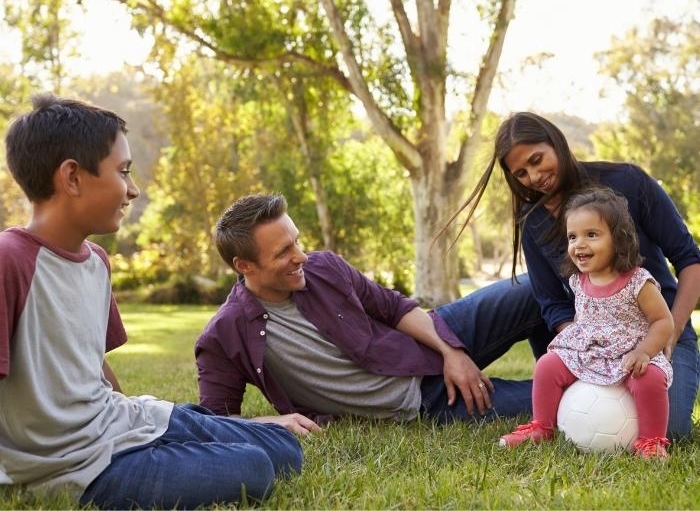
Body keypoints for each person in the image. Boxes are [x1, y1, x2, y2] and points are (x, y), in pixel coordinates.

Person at [0, 95, 302, 510]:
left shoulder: (96, 263)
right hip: (75, 465)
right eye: (123, 172)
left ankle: (207, 428)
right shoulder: (9, 260)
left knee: (287, 449)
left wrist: (144, 426)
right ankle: (202, 435)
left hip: (119, 422)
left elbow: (93, 366)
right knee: (256, 468)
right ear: (72, 177)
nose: (134, 189)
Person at [443, 112, 700, 440]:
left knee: (672, 430)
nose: (534, 177)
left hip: (658, 332)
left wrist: (670, 333)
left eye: (537, 160)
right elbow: (551, 303)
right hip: (592, 341)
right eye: (521, 173)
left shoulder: (629, 182)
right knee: (577, 412)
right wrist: (587, 348)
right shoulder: (533, 221)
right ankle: (543, 410)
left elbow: (690, 260)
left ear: (556, 142)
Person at [195, 193, 540, 433]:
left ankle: (580, 351)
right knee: (557, 398)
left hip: (431, 334)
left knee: (538, 285)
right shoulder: (223, 335)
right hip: (425, 400)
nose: (301, 256)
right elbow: (213, 420)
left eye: (297, 241)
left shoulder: (324, 267)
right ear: (245, 265)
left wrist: (451, 350)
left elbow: (394, 308)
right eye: (284, 252)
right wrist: (268, 421)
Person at [499, 187, 673, 459]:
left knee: (650, 379)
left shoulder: (638, 281)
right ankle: (541, 427)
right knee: (547, 365)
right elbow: (585, 318)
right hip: (590, 350)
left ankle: (651, 441)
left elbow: (663, 321)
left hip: (629, 352)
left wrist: (646, 352)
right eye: (572, 236)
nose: (579, 244)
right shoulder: (578, 281)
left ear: (618, 239)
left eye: (591, 235)